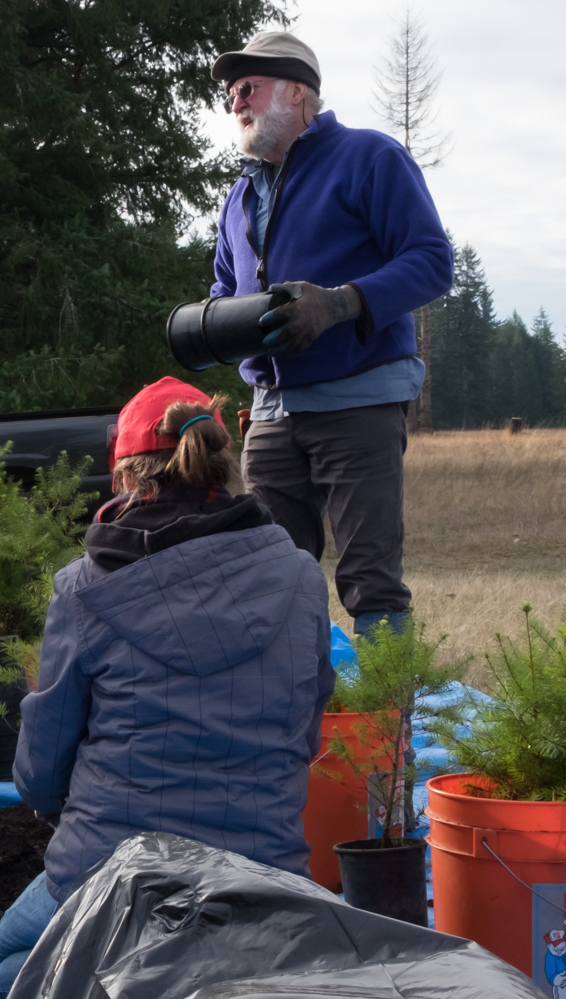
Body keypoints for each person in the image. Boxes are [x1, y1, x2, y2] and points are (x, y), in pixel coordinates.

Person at [0, 377, 334, 998]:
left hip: (115, 880)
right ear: (222, 467)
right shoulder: (302, 577)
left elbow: (40, 773)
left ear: (126, 480)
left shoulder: (84, 589)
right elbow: (306, 735)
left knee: (11, 962)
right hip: (263, 884)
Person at [209, 31, 454, 636]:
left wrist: (341, 304)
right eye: (230, 95)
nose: (235, 102)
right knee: (271, 580)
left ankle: (387, 726)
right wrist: (214, 327)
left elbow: (430, 261)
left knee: (371, 581)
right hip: (270, 415)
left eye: (248, 87)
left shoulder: (369, 157)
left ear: (298, 91)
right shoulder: (239, 197)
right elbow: (222, 290)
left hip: (358, 399)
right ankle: (298, 723)